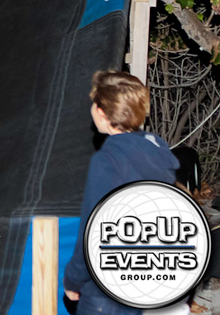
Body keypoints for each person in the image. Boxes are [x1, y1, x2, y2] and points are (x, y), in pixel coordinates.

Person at [64, 71, 179, 314]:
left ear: (102, 113)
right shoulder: (157, 150)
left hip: (106, 292)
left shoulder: (108, 160)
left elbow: (94, 231)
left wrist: (73, 279)